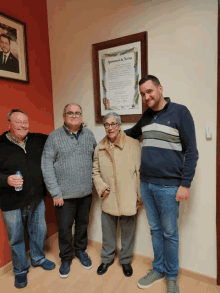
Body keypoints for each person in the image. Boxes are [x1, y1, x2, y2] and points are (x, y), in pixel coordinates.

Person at [125, 75, 198, 293]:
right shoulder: (146, 117)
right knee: (155, 231)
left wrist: (185, 184)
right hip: (146, 184)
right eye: (143, 94)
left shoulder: (180, 112)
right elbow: (131, 135)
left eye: (150, 91)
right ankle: (158, 269)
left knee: (169, 233)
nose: (147, 97)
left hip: (169, 187)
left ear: (160, 89)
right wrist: (112, 132)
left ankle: (172, 276)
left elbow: (192, 151)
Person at [0, 109, 55, 289]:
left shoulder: (37, 140)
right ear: (9, 124)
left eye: (25, 122)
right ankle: (20, 269)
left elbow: (57, 139)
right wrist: (6, 179)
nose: (23, 125)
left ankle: (38, 259)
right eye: (18, 122)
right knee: (16, 237)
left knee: (39, 232)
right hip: (11, 203)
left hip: (36, 199)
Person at [41, 103, 97, 279]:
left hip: (86, 193)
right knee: (65, 228)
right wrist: (55, 193)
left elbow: (95, 159)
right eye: (70, 113)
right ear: (64, 116)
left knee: (82, 225)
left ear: (81, 116)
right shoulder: (54, 137)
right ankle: (66, 258)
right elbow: (46, 166)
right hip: (63, 196)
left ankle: (80, 251)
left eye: (77, 113)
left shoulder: (89, 135)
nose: (74, 116)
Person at [93, 112, 142, 277]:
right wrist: (101, 187)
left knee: (128, 231)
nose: (110, 127)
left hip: (129, 195)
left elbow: (140, 171)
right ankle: (106, 259)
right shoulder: (99, 147)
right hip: (108, 197)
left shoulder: (133, 144)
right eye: (107, 124)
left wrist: (139, 195)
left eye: (113, 124)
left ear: (119, 125)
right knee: (107, 231)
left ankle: (126, 260)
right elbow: (95, 172)